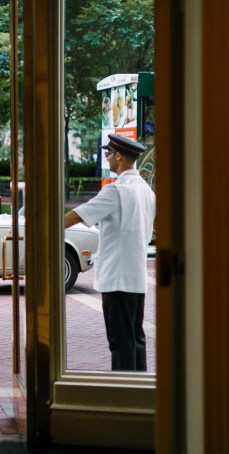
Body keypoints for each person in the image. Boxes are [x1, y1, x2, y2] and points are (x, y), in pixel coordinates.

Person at [64, 134, 155, 371]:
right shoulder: (146, 191)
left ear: (119, 156)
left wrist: (43, 225)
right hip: (136, 279)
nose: (106, 157)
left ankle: (123, 396)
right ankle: (139, 393)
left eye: (108, 153)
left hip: (116, 280)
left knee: (120, 342)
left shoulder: (115, 192)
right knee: (136, 339)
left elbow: (75, 216)